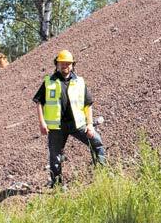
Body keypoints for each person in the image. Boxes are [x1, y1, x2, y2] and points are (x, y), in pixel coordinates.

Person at [32, 49, 106, 188]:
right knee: (55, 157)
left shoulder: (79, 82)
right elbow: (39, 102)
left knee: (96, 143)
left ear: (72, 65)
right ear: (57, 64)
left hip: (77, 124)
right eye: (62, 63)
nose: (65, 65)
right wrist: (42, 123)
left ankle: (102, 175)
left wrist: (90, 124)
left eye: (68, 63)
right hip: (56, 127)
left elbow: (87, 104)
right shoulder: (49, 82)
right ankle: (57, 186)